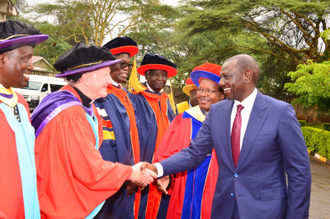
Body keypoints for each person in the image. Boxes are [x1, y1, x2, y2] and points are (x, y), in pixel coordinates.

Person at [144, 54, 312, 219]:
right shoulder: (217, 112)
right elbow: (194, 153)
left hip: (265, 211)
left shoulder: (280, 112)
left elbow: (299, 172)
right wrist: (156, 168)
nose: (221, 82)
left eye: (226, 77)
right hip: (223, 208)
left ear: (247, 75)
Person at [31, 43, 156, 218]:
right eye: (105, 75)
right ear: (87, 78)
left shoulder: (73, 102)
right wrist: (131, 172)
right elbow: (90, 170)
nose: (108, 80)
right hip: (58, 200)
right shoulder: (70, 112)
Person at [154, 63, 225, 219]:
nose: (202, 94)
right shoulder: (185, 119)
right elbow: (167, 151)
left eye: (209, 91)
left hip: (218, 191)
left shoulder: (233, 121)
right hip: (185, 188)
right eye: (200, 90)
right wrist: (163, 174)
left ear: (223, 94)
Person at [0, 20, 48, 219]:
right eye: (25, 59)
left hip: (27, 208)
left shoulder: (21, 103)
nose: (31, 66)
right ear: (2, 59)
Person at [94, 37, 141, 219]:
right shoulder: (101, 96)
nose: (126, 69)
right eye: (120, 64)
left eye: (128, 65)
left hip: (128, 171)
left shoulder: (126, 96)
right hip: (114, 177)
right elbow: (106, 144)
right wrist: (125, 176)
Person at [129, 54, 177, 219]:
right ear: (146, 75)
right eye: (155, 74)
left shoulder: (168, 102)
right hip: (143, 166)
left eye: (164, 75)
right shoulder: (134, 99)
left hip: (165, 167)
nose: (160, 79)